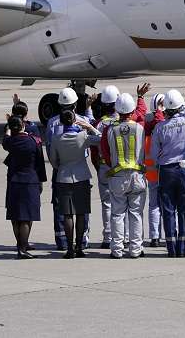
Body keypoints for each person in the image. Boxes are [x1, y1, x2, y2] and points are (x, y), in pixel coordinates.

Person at [90, 83, 150, 249]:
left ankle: (116, 248)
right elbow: (141, 116)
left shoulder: (108, 129)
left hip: (116, 175)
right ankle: (136, 249)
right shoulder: (140, 127)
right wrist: (140, 98)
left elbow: (104, 151)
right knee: (136, 214)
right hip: (137, 175)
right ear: (131, 111)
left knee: (116, 213)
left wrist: (114, 166)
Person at [151, 86, 185, 257]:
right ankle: (183, 247)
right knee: (184, 209)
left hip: (166, 170)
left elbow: (153, 154)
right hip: (184, 168)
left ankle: (171, 248)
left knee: (167, 210)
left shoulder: (160, 127)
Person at [44, 87, 94, 251]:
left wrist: (57, 167)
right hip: (80, 169)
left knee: (62, 209)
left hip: (61, 170)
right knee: (81, 210)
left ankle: (63, 240)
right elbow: (96, 133)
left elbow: (50, 150)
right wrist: (88, 108)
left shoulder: (52, 123)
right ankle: (82, 241)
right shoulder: (81, 121)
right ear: (75, 105)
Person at [48, 110, 101, 258]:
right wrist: (89, 126)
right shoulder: (82, 136)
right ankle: (79, 247)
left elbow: (53, 160)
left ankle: (69, 248)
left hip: (63, 177)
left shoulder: (57, 139)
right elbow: (100, 138)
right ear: (74, 121)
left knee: (67, 215)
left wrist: (61, 167)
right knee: (81, 213)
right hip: (82, 176)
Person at [3, 115, 48, 259]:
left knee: (16, 216)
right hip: (30, 181)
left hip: (14, 181)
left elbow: (5, 141)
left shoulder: (11, 142)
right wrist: (41, 181)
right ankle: (22, 247)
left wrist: (9, 130)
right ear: (23, 125)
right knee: (27, 218)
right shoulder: (33, 141)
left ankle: (19, 245)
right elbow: (40, 163)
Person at [143, 93, 165, 248]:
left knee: (154, 205)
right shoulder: (161, 125)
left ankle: (155, 237)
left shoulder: (146, 127)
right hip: (162, 172)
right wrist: (160, 111)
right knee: (168, 205)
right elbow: (160, 121)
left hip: (151, 173)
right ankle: (170, 234)